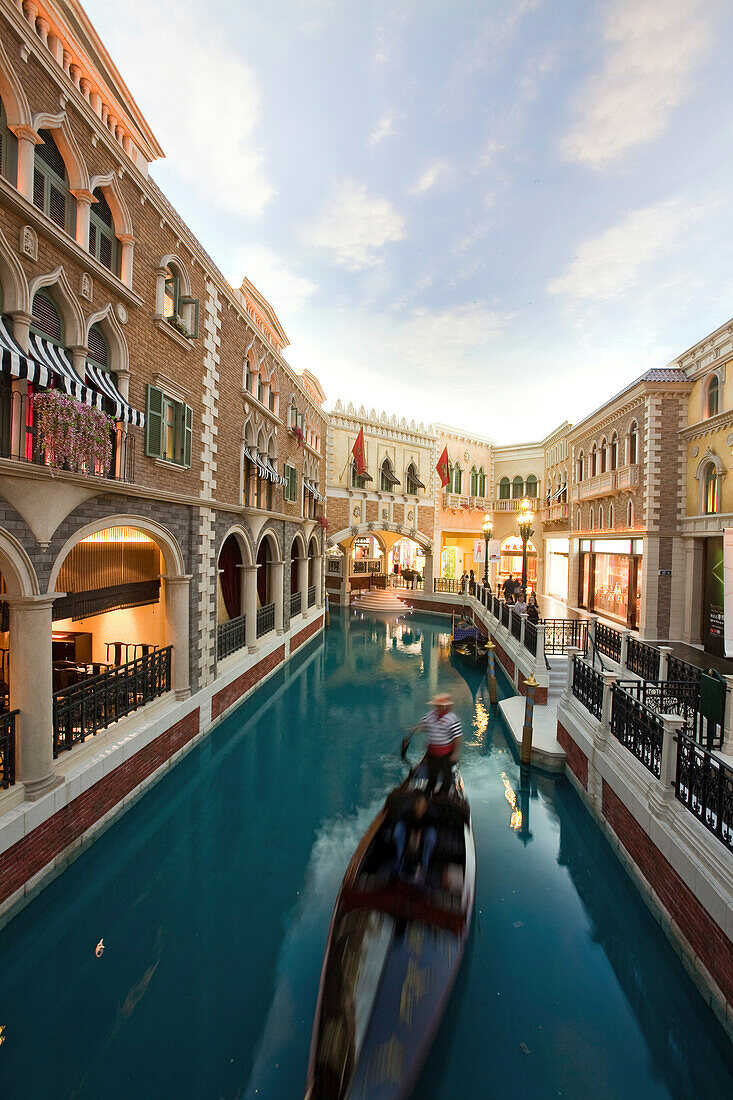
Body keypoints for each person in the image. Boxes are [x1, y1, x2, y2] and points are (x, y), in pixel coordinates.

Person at [411, 692, 463, 798]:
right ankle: (427, 796)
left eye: (440, 705)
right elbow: (423, 727)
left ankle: (444, 796)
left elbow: (457, 737)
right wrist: (416, 729)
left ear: (445, 705)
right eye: (437, 705)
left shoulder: (452, 718)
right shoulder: (430, 716)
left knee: (447, 777)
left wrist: (455, 754)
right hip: (432, 754)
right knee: (432, 776)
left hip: (446, 754)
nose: (438, 707)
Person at [392, 791, 437, 884]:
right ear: (415, 804)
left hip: (425, 831)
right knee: (399, 830)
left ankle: (424, 866)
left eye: (423, 805)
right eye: (418, 804)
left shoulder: (430, 815)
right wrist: (411, 841)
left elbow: (432, 825)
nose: (420, 807)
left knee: (431, 837)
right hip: (409, 829)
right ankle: (399, 859)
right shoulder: (407, 812)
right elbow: (402, 821)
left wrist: (418, 840)